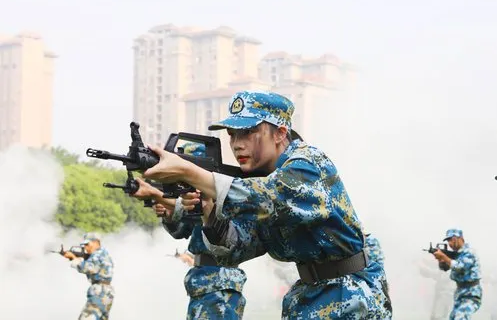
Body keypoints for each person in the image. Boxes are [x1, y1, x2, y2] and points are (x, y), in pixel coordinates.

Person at [144, 90, 392, 318]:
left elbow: (269, 198)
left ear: (280, 133)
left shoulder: (308, 163)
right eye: (232, 135)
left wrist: (190, 173)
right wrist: (209, 213)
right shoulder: (258, 180)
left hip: (350, 296)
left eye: (248, 132)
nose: (237, 144)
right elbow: (237, 249)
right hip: (309, 295)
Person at [132, 177, 254, 319]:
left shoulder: (226, 188)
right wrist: (169, 214)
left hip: (219, 280)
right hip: (202, 280)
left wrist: (156, 194)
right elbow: (181, 230)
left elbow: (209, 210)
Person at [431, 229, 482, 320]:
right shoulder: (458, 254)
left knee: (460, 318)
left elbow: (460, 267)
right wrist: (441, 261)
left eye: (451, 240)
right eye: (448, 241)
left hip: (471, 294)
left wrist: (444, 257)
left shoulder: (469, 253)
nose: (450, 243)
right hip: (460, 293)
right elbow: (445, 268)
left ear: (459, 239)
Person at [63, 232, 114, 320]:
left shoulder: (96, 255)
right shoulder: (104, 254)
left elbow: (88, 268)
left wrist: (75, 259)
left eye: (87, 244)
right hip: (107, 292)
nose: (86, 247)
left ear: (96, 242)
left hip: (99, 292)